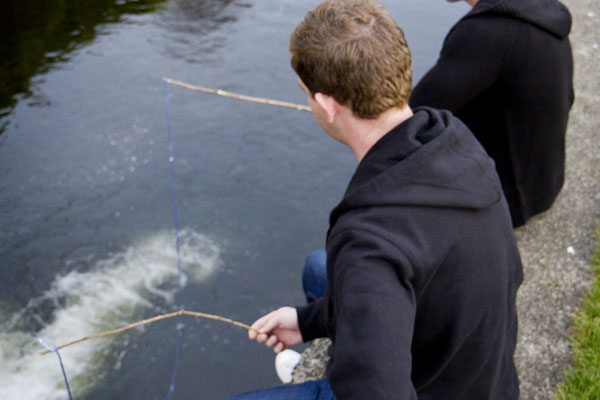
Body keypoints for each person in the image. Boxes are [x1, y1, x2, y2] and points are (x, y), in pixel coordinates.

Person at [220, 0, 523, 398]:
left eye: (306, 93)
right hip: (484, 381)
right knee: (319, 268)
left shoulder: (371, 240)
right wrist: (307, 321)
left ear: (327, 104)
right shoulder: (457, 143)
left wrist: (356, 373)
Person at [410, 0, 574, 228]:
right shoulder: (538, 11)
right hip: (543, 183)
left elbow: (414, 114)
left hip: (506, 201)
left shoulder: (487, 32)